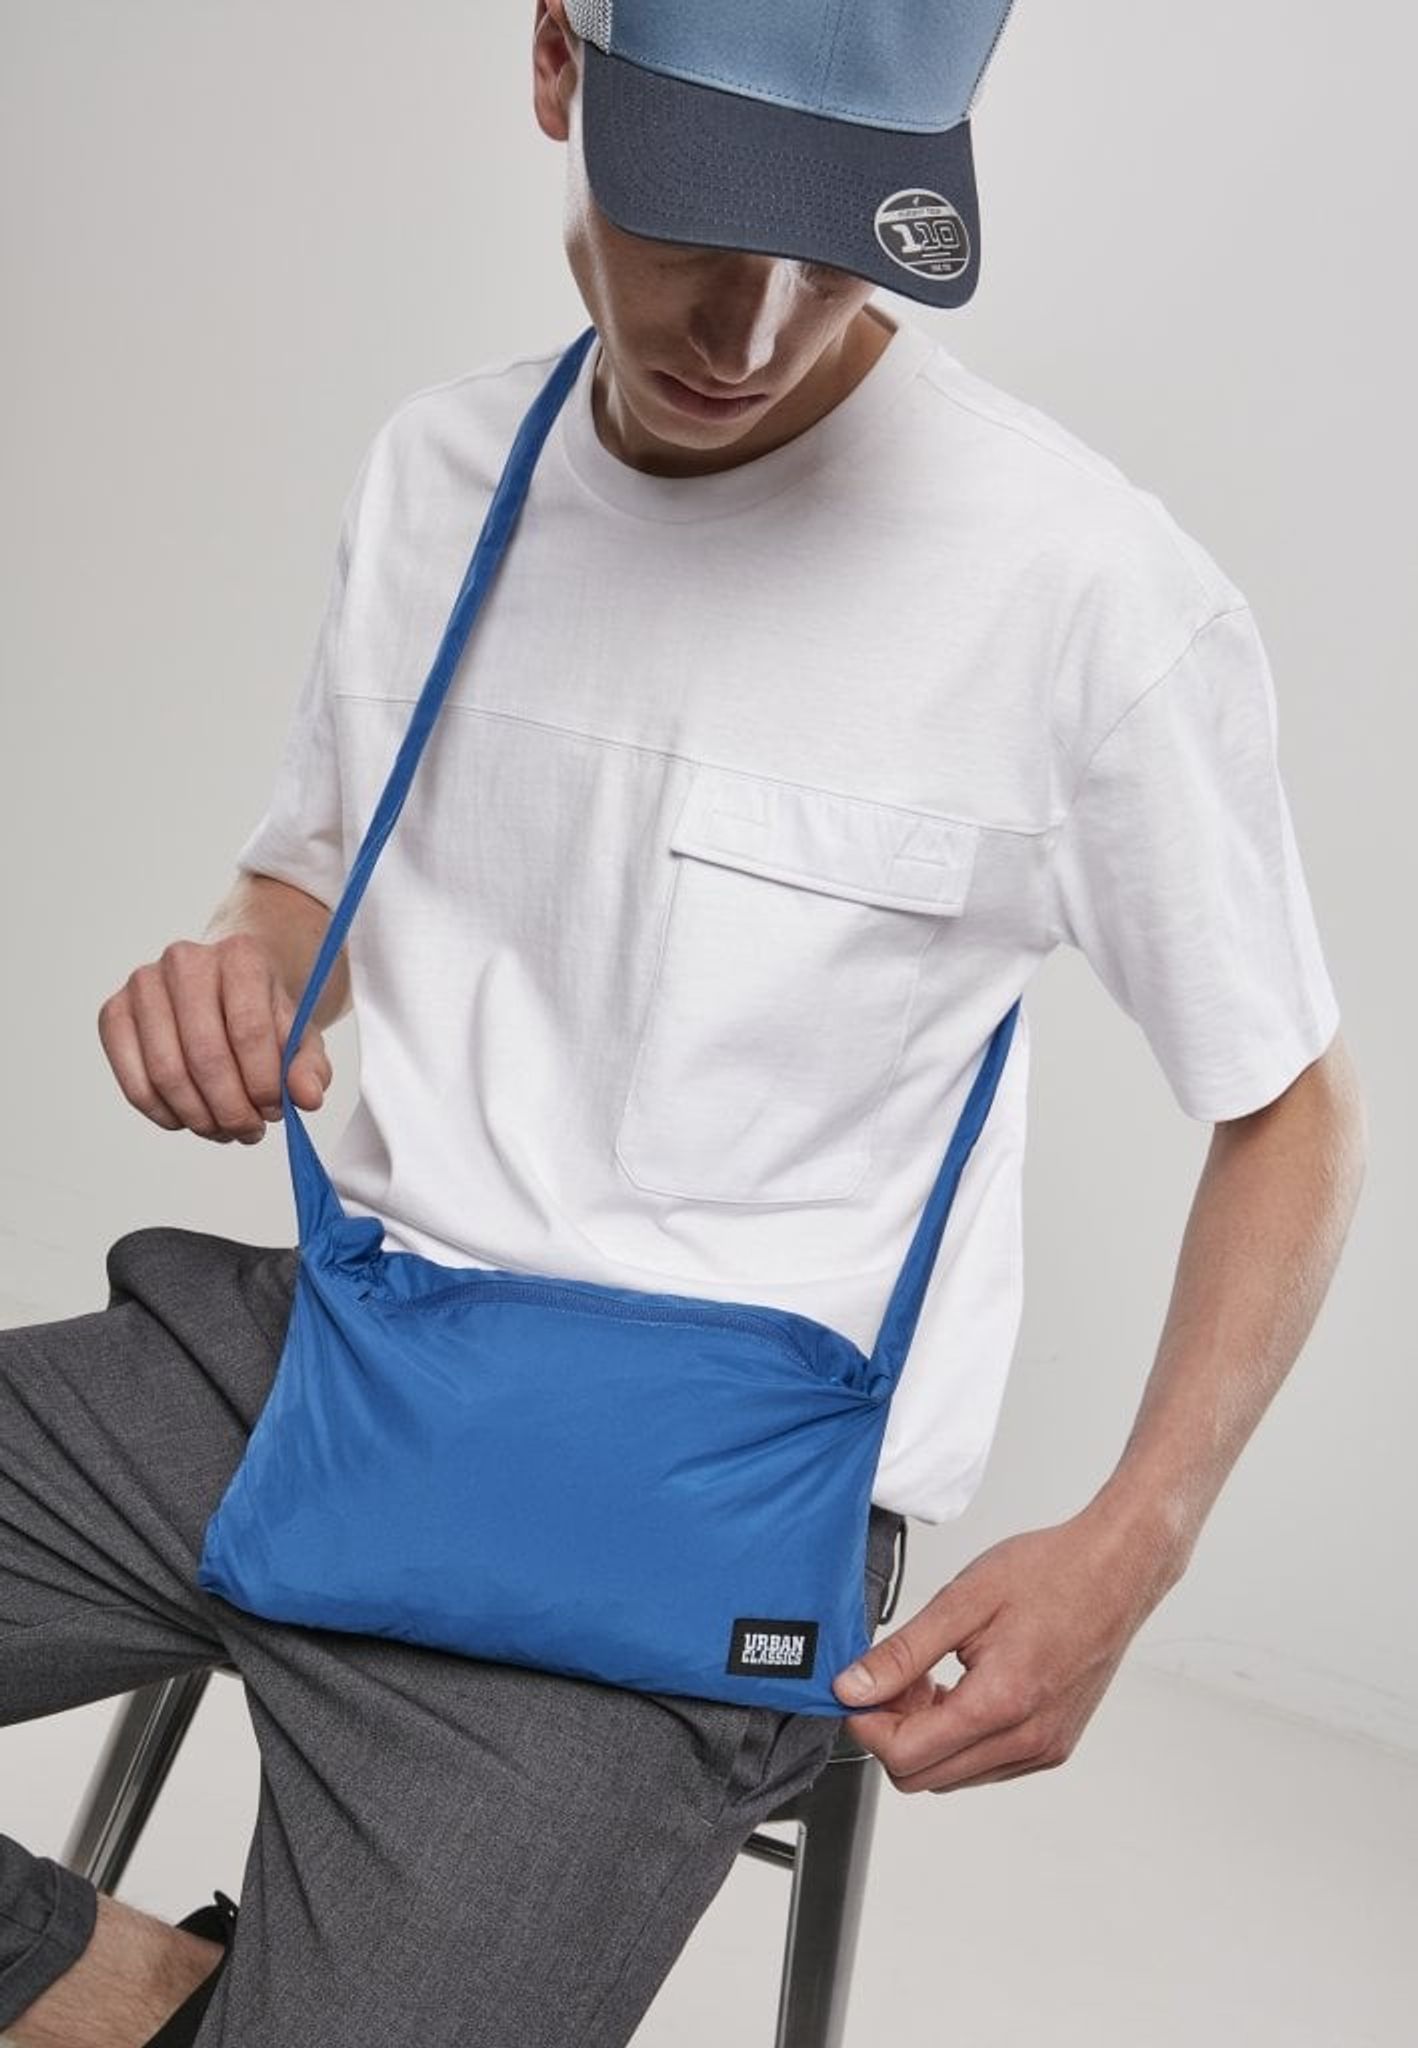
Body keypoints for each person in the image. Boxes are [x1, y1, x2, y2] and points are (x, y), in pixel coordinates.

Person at [0, 2, 1368, 2043]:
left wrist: (1134, 1537)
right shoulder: (443, 469)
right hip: (323, 1352)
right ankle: (134, 1990)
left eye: (835, 251)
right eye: (700, 224)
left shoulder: (1084, 591)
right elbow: (312, 877)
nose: (753, 327)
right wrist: (242, 965)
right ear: (559, 59)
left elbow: (1293, 1112)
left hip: (691, 1512)